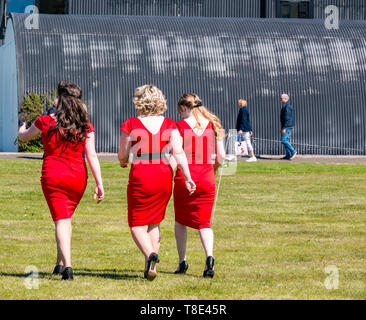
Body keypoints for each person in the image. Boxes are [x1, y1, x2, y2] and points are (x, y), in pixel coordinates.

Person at [18, 81, 104, 281]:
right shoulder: (85, 124)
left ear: (60, 99)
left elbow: (25, 137)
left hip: (53, 174)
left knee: (61, 220)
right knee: (64, 219)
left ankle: (68, 267)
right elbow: (92, 156)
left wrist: (21, 128)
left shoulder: (45, 121)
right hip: (77, 176)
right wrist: (99, 183)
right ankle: (59, 263)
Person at [118, 85, 196, 281]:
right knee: (154, 221)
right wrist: (187, 177)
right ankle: (149, 266)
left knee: (137, 223)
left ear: (139, 101)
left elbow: (122, 154)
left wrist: (123, 162)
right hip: (163, 173)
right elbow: (178, 153)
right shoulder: (171, 124)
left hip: (141, 172)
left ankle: (150, 255)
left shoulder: (131, 123)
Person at [171, 93, 226, 278]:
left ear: (184, 108)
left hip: (185, 178)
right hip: (206, 176)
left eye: (180, 111)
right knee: (204, 223)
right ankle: (209, 258)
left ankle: (182, 260)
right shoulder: (213, 125)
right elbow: (221, 156)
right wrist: (214, 169)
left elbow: (176, 155)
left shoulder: (178, 127)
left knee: (180, 221)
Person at [280, 94, 297, 160]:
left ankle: (293, 151)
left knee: (283, 140)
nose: (280, 100)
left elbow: (287, 118)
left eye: (281, 98)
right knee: (286, 140)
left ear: (285, 99)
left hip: (287, 126)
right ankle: (288, 155)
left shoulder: (287, 106)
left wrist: (284, 128)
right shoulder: (286, 106)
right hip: (287, 126)